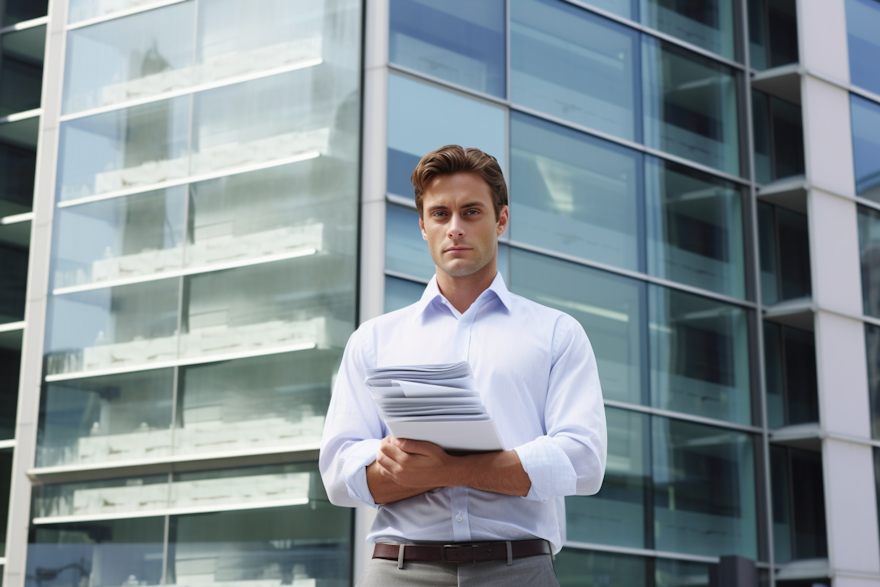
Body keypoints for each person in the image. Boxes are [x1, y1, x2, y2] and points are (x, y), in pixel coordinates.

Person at [319, 145, 607, 586]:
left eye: (471, 212)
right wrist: (388, 455)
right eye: (440, 214)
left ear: (501, 220)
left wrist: (445, 469)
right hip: (399, 570)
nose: (455, 228)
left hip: (518, 570)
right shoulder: (374, 341)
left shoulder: (556, 334)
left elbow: (584, 461)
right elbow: (339, 475)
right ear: (422, 225)